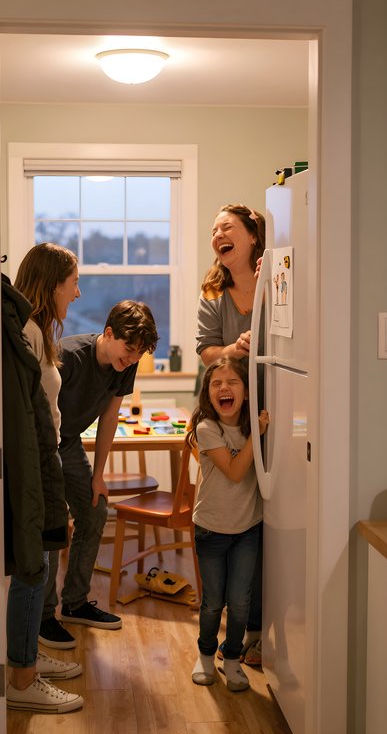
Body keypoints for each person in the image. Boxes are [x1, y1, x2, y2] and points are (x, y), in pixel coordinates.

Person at [39, 299, 159, 648]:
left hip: (69, 441)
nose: (133, 358)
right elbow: (40, 410)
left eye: (139, 353)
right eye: (129, 349)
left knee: (94, 511)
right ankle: (44, 616)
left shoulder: (126, 365)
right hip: (44, 442)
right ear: (108, 333)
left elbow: (110, 417)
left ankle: (75, 603)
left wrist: (99, 475)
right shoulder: (69, 355)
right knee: (53, 523)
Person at [4, 242, 83, 713]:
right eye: (73, 282)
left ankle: (28, 656)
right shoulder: (29, 332)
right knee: (34, 569)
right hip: (34, 461)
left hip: (43, 458)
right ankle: (21, 677)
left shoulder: (38, 332)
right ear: (53, 284)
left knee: (47, 562)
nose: (77, 292)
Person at [196, 202, 265, 667]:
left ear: (252, 235)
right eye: (214, 230)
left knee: (262, 526)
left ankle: (256, 632)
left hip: (270, 411)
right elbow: (206, 353)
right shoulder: (213, 293)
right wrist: (234, 349)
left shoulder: (273, 278)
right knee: (237, 505)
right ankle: (232, 637)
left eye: (227, 227)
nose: (218, 235)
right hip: (230, 412)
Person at [187, 357, 270, 691]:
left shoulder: (253, 427)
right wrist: (257, 435)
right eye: (216, 383)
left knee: (240, 602)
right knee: (212, 603)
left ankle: (232, 659)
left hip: (247, 529)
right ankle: (206, 656)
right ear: (208, 394)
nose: (224, 388)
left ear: (246, 392)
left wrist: (258, 431)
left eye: (233, 382)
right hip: (211, 529)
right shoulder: (208, 429)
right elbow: (236, 473)